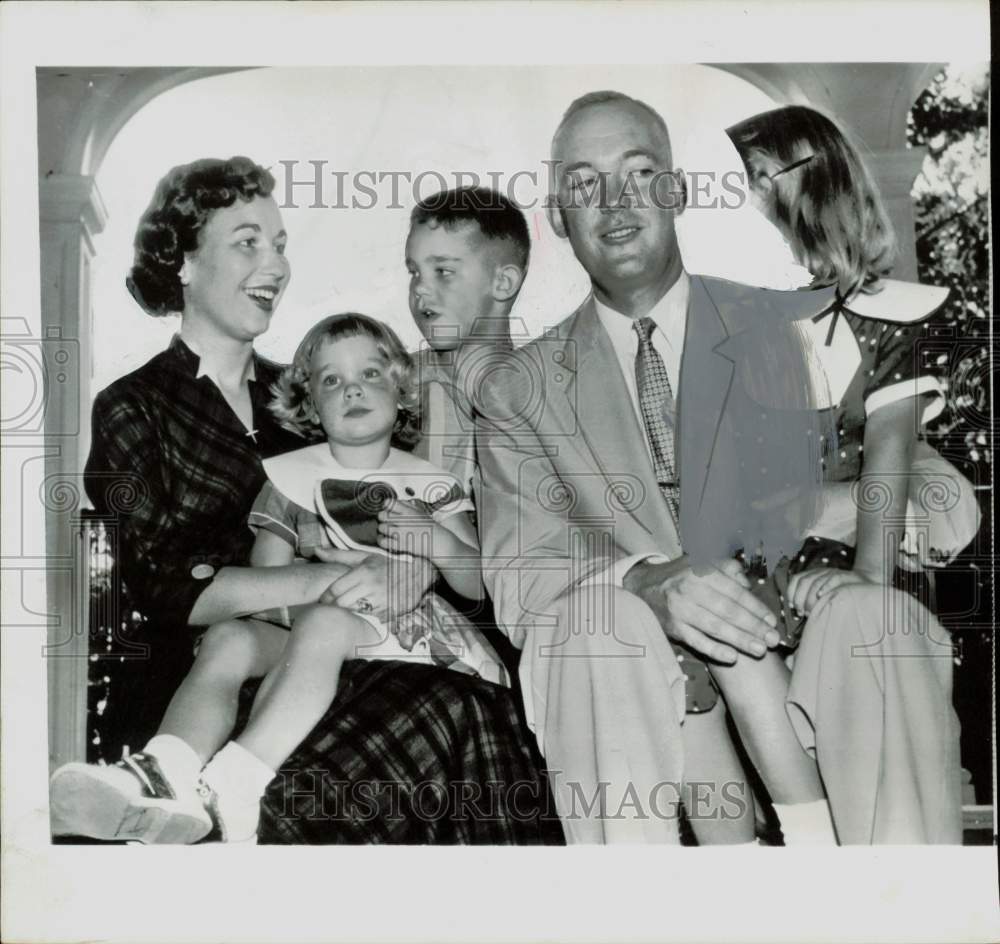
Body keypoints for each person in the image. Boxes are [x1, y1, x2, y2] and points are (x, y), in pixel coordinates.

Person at [49, 156, 558, 846]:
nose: (276, 265)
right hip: (210, 665)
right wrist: (332, 582)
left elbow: (428, 520)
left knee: (448, 704)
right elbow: (166, 589)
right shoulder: (134, 406)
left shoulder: (308, 394)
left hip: (362, 646)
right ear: (185, 265)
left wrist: (414, 566)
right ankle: (168, 778)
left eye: (281, 243)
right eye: (248, 241)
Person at [473, 91, 829, 843]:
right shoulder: (517, 390)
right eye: (583, 185)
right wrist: (645, 582)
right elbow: (519, 580)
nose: (613, 203)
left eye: (639, 173)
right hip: (631, 683)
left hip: (793, 634)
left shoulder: (786, 332)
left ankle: (833, 867)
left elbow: (886, 483)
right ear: (560, 217)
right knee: (592, 627)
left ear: (678, 190)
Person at [51, 311, 508, 842]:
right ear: (309, 403)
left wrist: (435, 545)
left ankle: (235, 784)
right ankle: (165, 770)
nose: (352, 390)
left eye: (371, 375)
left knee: (324, 626)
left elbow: (479, 580)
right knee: (228, 638)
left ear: (403, 392)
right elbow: (267, 579)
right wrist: (308, 570)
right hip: (316, 627)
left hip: (409, 633)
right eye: (331, 380)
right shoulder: (291, 481)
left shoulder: (429, 483)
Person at [695, 104, 963, 844]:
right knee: (718, 644)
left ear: (808, 186)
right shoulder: (736, 324)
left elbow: (888, 463)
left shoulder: (890, 318)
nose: (746, 198)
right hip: (752, 560)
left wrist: (867, 574)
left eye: (757, 179)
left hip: (854, 559)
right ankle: (793, 836)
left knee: (862, 624)